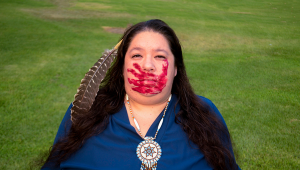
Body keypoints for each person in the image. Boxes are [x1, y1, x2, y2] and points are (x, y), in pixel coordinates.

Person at [42, 19, 240, 170]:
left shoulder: (205, 114)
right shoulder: (85, 111)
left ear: (175, 69)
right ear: (121, 67)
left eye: (160, 56)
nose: (147, 65)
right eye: (137, 55)